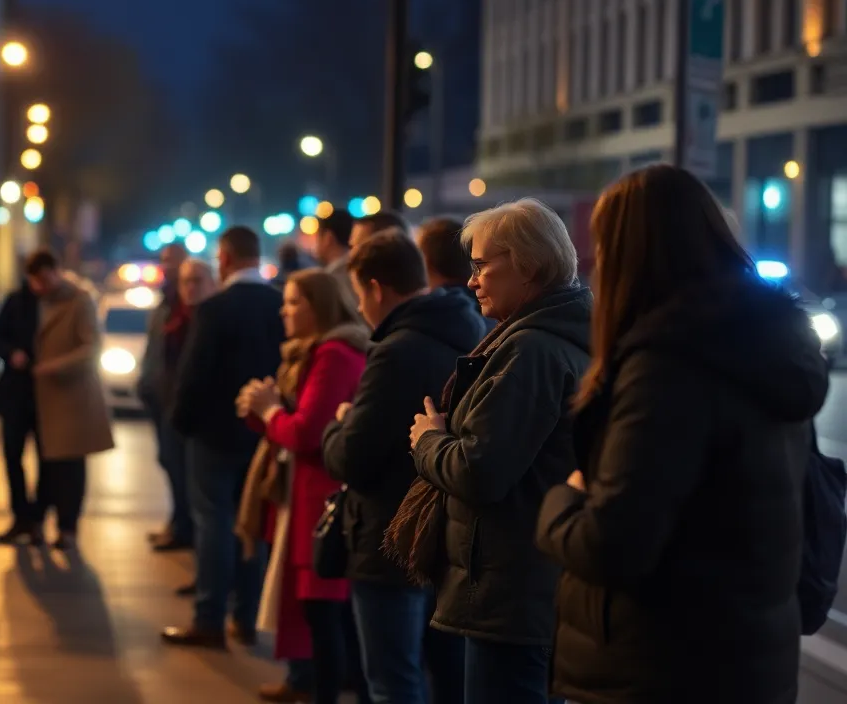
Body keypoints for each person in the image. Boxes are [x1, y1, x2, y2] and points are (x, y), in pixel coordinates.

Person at [536, 165, 830, 704]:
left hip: (662, 664)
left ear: (630, 252)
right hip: (750, 657)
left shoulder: (668, 368)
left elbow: (613, 544)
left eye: (603, 244)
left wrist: (563, 499)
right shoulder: (769, 344)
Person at [396, 198, 591, 704]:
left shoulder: (530, 351)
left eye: (483, 265)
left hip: (511, 590)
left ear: (527, 263)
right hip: (530, 581)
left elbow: (480, 470)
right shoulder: (552, 339)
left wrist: (429, 441)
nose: (472, 280)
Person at [322, 229, 484, 704]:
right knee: (445, 674)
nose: (359, 310)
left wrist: (338, 426)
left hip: (388, 536)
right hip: (445, 532)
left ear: (375, 288)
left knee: (391, 679)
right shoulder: (471, 329)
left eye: (358, 296)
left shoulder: (394, 350)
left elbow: (353, 456)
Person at [238, 269, 368, 704]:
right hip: (306, 494)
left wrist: (272, 412)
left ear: (320, 307)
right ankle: (307, 683)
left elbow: (307, 433)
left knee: (323, 613)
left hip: (319, 498)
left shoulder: (332, 354)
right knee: (319, 613)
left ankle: (321, 692)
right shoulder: (311, 353)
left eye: (294, 302)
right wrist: (263, 411)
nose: (284, 309)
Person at [162, 226, 284, 649]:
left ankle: (209, 616)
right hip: (264, 432)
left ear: (226, 258)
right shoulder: (279, 303)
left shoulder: (215, 309)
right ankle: (247, 616)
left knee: (212, 521)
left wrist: (179, 423)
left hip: (212, 435)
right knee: (252, 523)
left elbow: (192, 376)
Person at [28, 248, 115, 548]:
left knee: (69, 468)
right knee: (47, 464)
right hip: (43, 398)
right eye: (35, 281)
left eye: (43, 278)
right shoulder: (35, 301)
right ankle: (39, 520)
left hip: (70, 398)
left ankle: (67, 526)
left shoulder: (79, 300)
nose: (40, 286)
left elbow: (91, 347)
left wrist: (55, 365)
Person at [163, 258, 218, 597]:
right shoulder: (177, 317)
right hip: (177, 417)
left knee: (210, 512)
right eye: (185, 281)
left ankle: (211, 587)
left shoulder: (212, 318)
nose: (190, 288)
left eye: (197, 280)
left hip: (201, 428)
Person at [138, 242, 191, 551]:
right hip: (158, 397)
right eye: (164, 260)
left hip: (174, 400)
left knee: (177, 463)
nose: (166, 265)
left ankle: (183, 527)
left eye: (172, 260)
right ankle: (177, 522)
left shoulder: (184, 305)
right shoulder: (165, 301)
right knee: (167, 461)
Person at [0, 264, 41, 545]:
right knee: (12, 457)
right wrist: (11, 354)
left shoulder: (55, 304)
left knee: (48, 460)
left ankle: (37, 517)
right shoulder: (15, 302)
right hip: (15, 393)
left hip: (47, 395)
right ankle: (21, 516)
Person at [314, 210, 356, 311]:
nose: (315, 245)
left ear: (328, 238)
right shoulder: (358, 269)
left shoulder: (329, 280)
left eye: (317, 237)